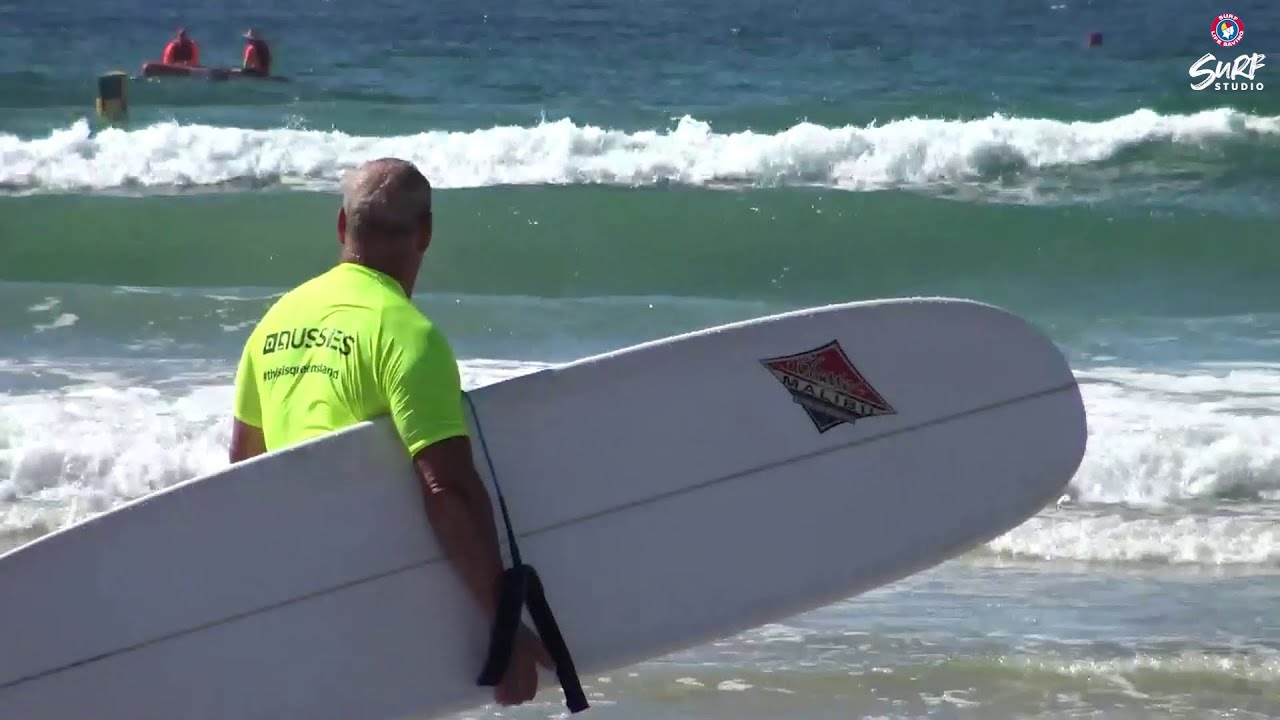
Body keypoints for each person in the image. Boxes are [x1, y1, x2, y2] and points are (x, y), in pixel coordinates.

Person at [228, 157, 551, 706]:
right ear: (425, 233)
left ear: (340, 226)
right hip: (373, 607)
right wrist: (504, 632)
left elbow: (241, 475)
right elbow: (445, 491)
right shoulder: (407, 335)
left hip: (295, 605)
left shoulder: (274, 323)